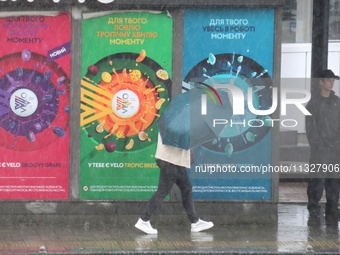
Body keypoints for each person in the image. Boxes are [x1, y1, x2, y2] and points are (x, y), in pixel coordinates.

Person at [135, 134, 214, 234]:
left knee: (187, 188)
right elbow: (176, 140)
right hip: (170, 161)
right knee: (162, 191)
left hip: (175, 160)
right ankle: (144, 220)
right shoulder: (174, 123)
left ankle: (195, 221)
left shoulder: (172, 120)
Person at [306, 69, 340, 223]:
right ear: (320, 82)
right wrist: (318, 144)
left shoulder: (337, 102)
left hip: (335, 149)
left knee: (334, 181)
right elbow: (310, 128)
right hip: (320, 150)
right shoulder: (313, 104)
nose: (331, 83)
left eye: (333, 80)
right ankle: (313, 207)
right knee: (317, 180)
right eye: (328, 80)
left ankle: (333, 208)